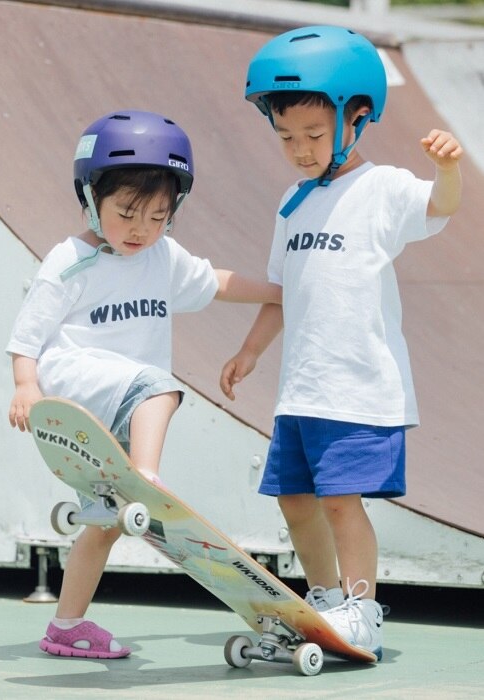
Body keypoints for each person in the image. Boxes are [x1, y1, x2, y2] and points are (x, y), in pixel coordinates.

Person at [220, 25, 463, 659]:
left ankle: (362, 608)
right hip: (301, 389)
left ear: (357, 119)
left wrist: (446, 167)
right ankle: (325, 602)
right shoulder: (292, 203)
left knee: (338, 502)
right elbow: (281, 290)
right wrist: (250, 352)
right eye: (286, 137)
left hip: (359, 387)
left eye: (313, 135)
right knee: (296, 500)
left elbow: (442, 205)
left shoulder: (380, 190)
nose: (299, 150)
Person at [7, 109, 281, 659]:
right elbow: (27, 334)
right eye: (127, 213)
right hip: (75, 383)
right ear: (90, 199)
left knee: (105, 523)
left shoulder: (161, 256)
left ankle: (65, 626)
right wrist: (25, 386)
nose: (142, 230)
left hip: (115, 416)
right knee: (161, 385)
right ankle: (147, 477)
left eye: (159, 217)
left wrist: (277, 290)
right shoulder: (69, 261)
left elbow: (216, 282)